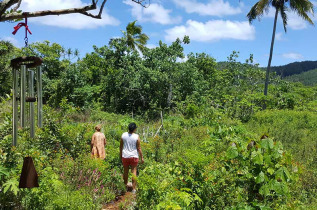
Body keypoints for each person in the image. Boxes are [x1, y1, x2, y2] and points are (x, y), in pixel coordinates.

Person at [120, 122, 144, 193]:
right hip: (134, 156)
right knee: (134, 171)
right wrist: (142, 157)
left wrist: (121, 155)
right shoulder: (136, 136)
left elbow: (121, 146)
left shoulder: (123, 135)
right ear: (134, 129)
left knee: (125, 171)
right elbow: (139, 148)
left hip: (125, 156)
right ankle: (133, 189)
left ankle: (124, 187)